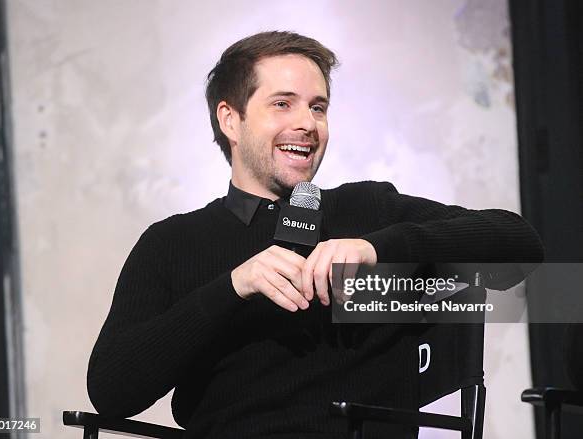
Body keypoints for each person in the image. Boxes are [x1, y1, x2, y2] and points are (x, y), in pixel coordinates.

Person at [87, 31, 543, 438]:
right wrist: (232, 288)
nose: (307, 123)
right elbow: (112, 391)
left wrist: (378, 247)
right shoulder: (173, 242)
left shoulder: (368, 209)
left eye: (318, 107)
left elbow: (521, 245)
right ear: (231, 120)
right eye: (283, 103)